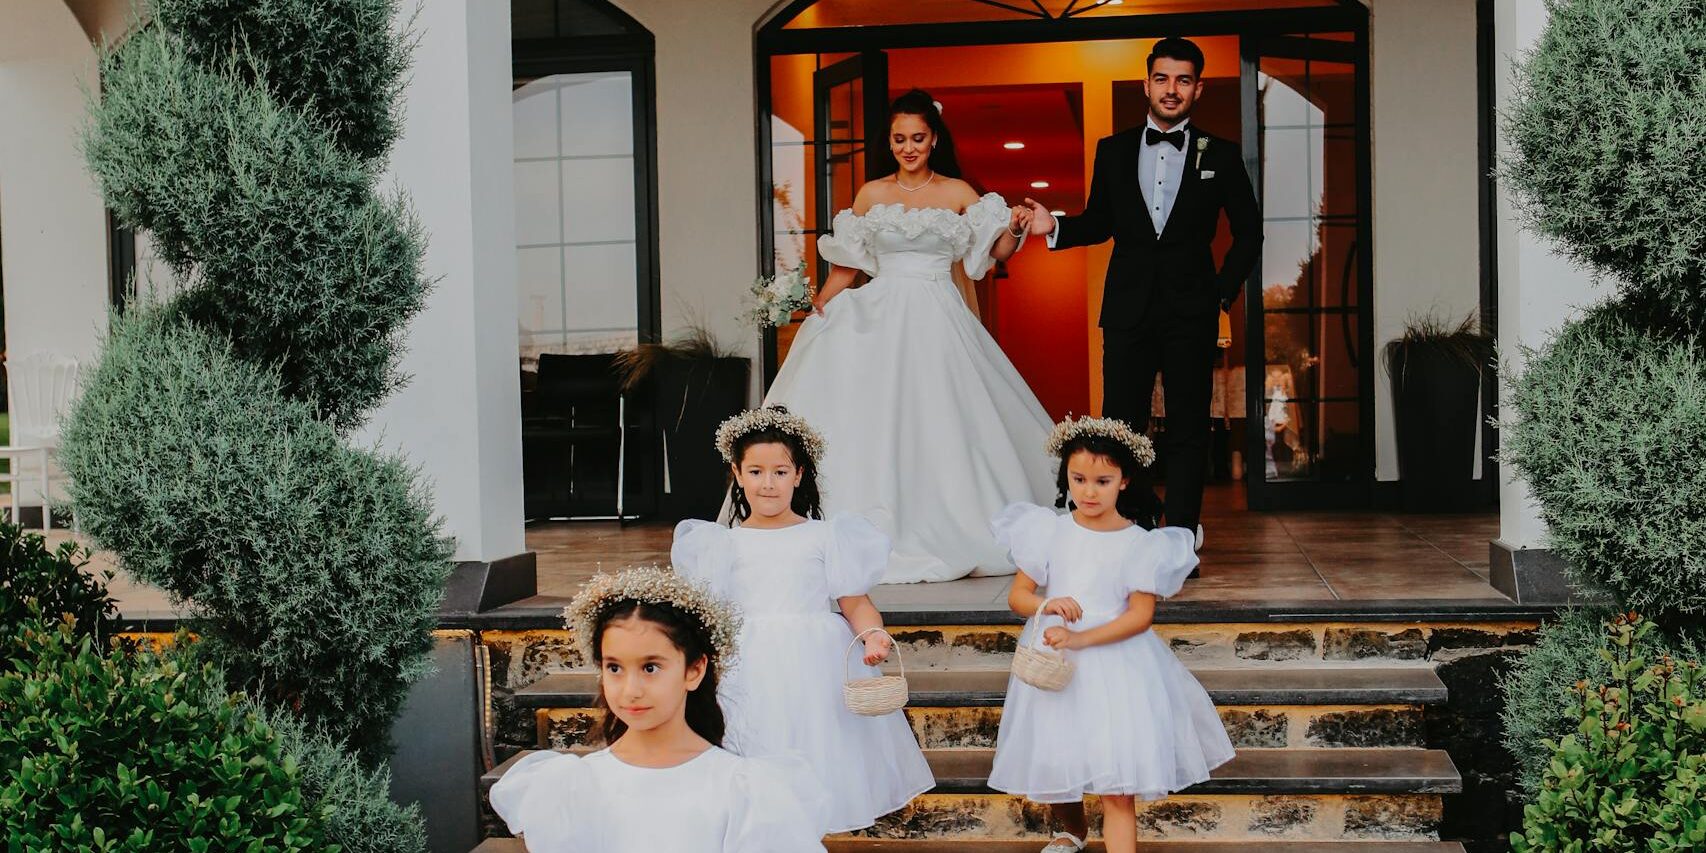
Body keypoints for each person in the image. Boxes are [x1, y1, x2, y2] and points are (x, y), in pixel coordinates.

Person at [760, 88, 1057, 583]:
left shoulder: (961, 192)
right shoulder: (871, 194)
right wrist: (820, 307)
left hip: (940, 313)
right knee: (877, 417)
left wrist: (1021, 226)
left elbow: (996, 252)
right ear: (890, 142)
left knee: (944, 416)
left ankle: (949, 514)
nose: (909, 147)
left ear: (934, 138)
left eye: (918, 137)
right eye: (899, 139)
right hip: (881, 314)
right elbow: (847, 268)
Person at [1024, 37, 1261, 557]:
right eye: (1162, 78)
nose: (1170, 89)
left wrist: (1221, 293)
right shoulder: (1112, 150)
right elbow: (1100, 222)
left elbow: (1249, 233)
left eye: (1182, 80)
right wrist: (1054, 227)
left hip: (1192, 309)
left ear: (1197, 88)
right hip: (1128, 307)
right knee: (1121, 424)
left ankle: (1179, 534)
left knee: (1188, 425)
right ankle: (1132, 525)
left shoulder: (1219, 154)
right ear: (1146, 84)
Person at [675, 407, 934, 832]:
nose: (768, 483)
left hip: (816, 666)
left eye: (780, 472)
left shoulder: (823, 536)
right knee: (756, 752)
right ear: (738, 474)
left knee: (817, 752)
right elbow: (710, 615)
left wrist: (873, 635)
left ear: (798, 475)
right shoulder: (721, 544)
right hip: (748, 666)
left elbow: (854, 602)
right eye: (756, 472)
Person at [987, 416, 1235, 853]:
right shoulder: (1050, 532)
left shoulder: (1139, 543)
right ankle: (1072, 831)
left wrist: (1082, 639)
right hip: (1055, 661)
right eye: (1078, 479)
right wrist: (1047, 605)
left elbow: (1140, 616)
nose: (1088, 491)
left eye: (1102, 480)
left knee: (1117, 780)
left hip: (1117, 665)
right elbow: (1018, 596)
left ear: (1124, 480)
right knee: (1057, 756)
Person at [488, 566, 830, 852]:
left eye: (650, 667)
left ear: (694, 670)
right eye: (614, 668)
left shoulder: (744, 789)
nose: (631, 690)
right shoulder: (574, 787)